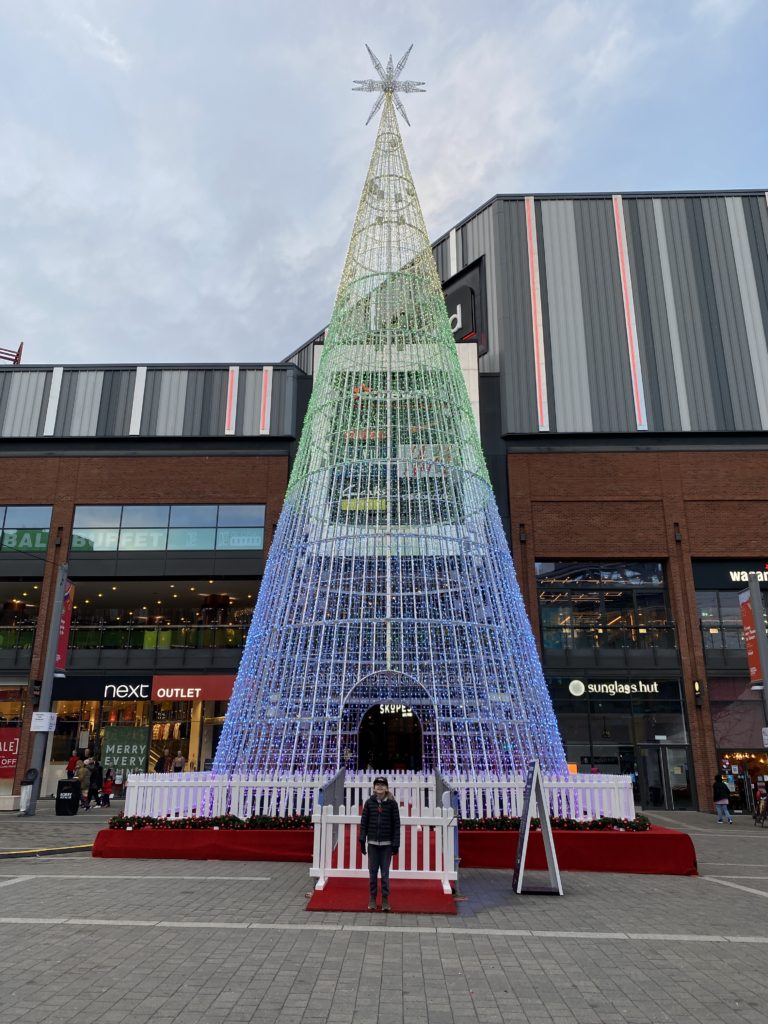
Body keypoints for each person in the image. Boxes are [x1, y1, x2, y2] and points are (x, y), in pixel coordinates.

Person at [359, 776, 400, 912]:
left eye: (383, 785)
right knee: (372, 872)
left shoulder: (392, 804)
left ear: (387, 788)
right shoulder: (369, 803)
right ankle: (372, 897)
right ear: (374, 787)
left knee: (385, 873)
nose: (380, 787)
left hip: (387, 844)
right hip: (372, 843)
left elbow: (396, 825)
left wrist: (396, 843)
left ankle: (385, 899)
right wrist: (362, 840)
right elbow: (364, 822)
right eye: (377, 784)